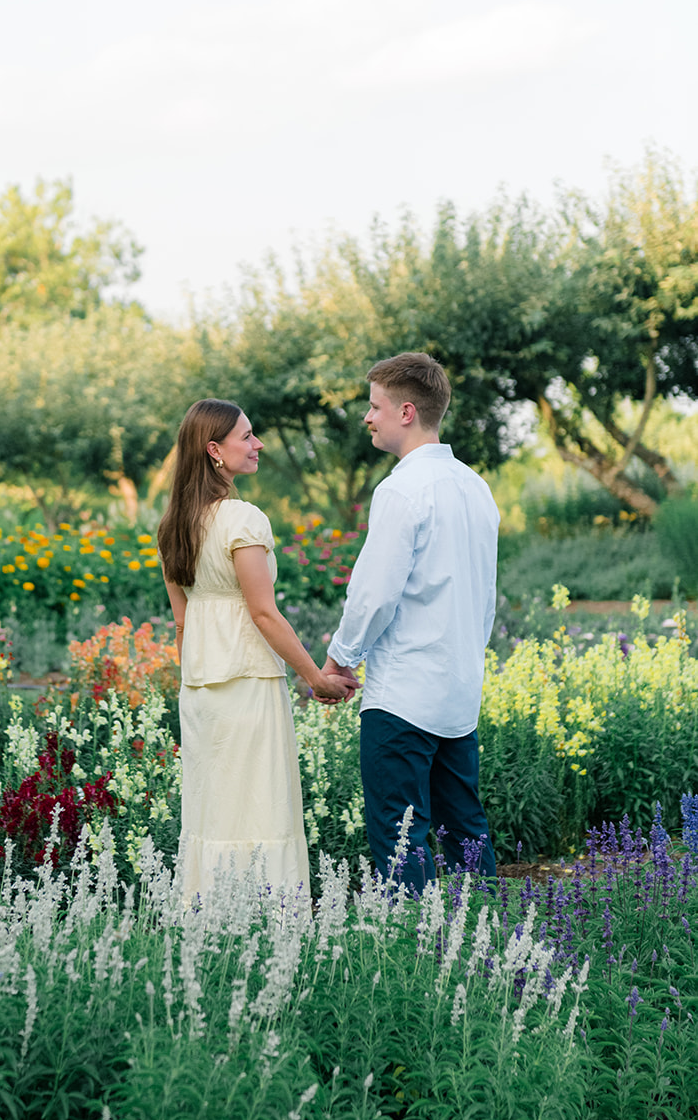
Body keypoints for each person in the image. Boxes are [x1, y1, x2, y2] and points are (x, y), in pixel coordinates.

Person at [158, 399, 348, 907]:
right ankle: (267, 915)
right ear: (215, 450)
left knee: (213, 808)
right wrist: (315, 677)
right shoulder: (242, 519)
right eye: (248, 436)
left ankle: (208, 913)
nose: (258, 443)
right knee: (261, 805)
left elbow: (182, 621)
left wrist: (195, 676)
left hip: (200, 686)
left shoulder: (174, 525)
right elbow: (263, 613)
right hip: (247, 681)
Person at [321, 353, 498, 891]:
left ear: (404, 411)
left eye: (373, 406)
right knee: (466, 829)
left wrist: (339, 659)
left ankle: (411, 951)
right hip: (459, 692)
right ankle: (492, 943)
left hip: (403, 697)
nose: (366, 418)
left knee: (400, 836)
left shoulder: (401, 489)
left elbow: (374, 594)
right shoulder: (476, 488)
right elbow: (484, 596)